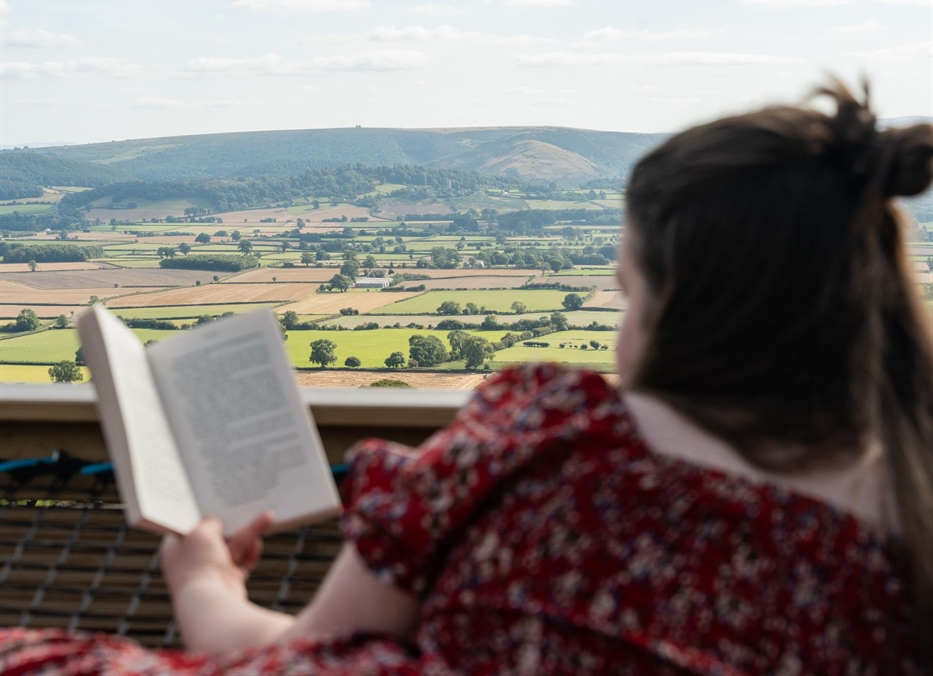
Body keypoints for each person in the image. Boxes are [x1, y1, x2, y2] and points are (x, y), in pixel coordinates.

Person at [2, 80, 931, 674]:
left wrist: (204, 585)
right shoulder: (909, 512)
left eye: (624, 291)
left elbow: (302, 661)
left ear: (678, 300)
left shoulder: (551, 435)